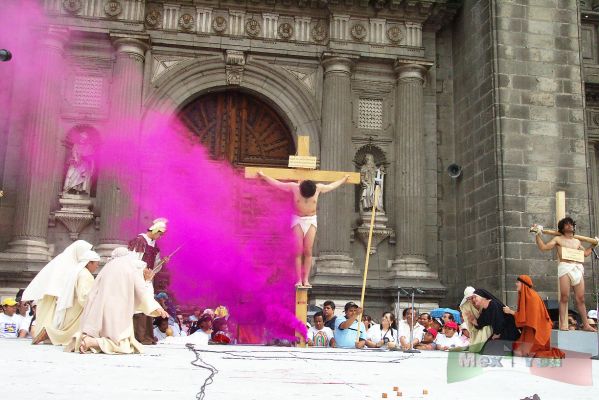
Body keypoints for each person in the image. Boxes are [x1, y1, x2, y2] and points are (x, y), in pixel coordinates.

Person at [257, 171, 350, 287]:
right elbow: (278, 184)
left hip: (311, 221)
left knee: (308, 250)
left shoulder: (318, 188)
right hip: (298, 220)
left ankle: (306, 279)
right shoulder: (294, 187)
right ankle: (298, 279)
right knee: (298, 250)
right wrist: (264, 176)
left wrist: (344, 179)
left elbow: (331, 186)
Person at [66, 248, 167, 354]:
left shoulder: (107, 268)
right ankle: (91, 342)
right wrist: (156, 307)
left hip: (99, 309)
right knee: (122, 344)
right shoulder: (130, 268)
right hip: (117, 312)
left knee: (104, 333)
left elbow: (93, 292)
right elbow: (141, 291)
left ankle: (87, 340)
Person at [21, 240, 94, 344]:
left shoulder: (67, 260)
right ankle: (50, 334)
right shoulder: (68, 262)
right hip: (56, 296)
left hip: (58, 295)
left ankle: (50, 335)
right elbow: (59, 281)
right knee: (59, 321)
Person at [531, 217, 597, 331]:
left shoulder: (577, 241)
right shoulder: (558, 239)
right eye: (566, 224)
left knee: (580, 298)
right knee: (564, 297)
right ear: (562, 227)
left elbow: (585, 254)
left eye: (571, 224)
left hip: (577, 267)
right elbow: (544, 247)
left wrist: (594, 245)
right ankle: (563, 324)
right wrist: (537, 234)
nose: (569, 225)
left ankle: (586, 324)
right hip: (565, 267)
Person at [129, 218, 170, 345]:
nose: (160, 237)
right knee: (138, 306)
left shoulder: (154, 245)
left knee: (147, 304)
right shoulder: (139, 241)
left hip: (148, 278)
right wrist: (141, 274)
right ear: (155, 230)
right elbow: (133, 260)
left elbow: (155, 266)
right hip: (138, 277)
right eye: (160, 234)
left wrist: (162, 262)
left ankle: (146, 336)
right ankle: (137, 336)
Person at [45, 250, 100, 345]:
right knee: (71, 334)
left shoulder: (79, 272)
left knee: (69, 331)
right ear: (89, 263)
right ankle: (51, 334)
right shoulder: (85, 275)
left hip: (73, 306)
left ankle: (51, 334)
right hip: (79, 308)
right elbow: (83, 296)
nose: (97, 266)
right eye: (96, 263)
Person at [503, 275, 565, 358]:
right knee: (518, 351)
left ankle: (555, 354)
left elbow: (529, 319)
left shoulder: (532, 297)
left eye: (518, 282)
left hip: (537, 331)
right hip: (530, 328)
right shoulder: (527, 295)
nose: (516, 284)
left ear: (523, 284)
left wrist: (510, 311)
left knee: (530, 354)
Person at [466, 288, 520, 355]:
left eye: (475, 297)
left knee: (490, 351)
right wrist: (473, 320)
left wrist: (497, 334)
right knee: (485, 350)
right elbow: (480, 323)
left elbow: (500, 321)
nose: (473, 300)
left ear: (482, 297)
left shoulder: (493, 304)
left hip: (508, 332)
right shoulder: (485, 309)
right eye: (472, 298)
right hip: (500, 333)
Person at [459, 286, 492, 352]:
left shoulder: (483, 302)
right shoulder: (466, 306)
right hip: (476, 326)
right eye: (469, 298)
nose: (472, 300)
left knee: (486, 328)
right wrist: (474, 322)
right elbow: (470, 322)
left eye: (473, 297)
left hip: (488, 325)